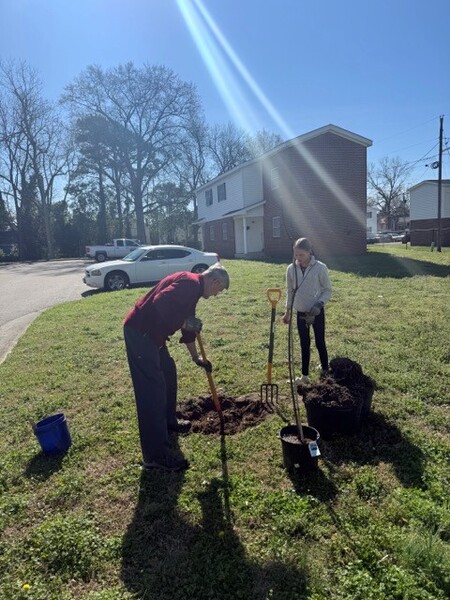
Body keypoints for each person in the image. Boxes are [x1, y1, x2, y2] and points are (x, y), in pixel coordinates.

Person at [123, 263, 229, 472]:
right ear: (215, 281)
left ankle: (169, 421)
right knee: (151, 391)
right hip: (140, 333)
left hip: (154, 336)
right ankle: (155, 455)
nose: (217, 295)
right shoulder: (189, 283)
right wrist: (184, 322)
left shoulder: (194, 289)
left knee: (168, 373)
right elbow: (160, 303)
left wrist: (196, 358)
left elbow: (189, 328)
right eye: (220, 290)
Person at [281, 238, 332, 383]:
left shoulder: (320, 268)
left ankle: (325, 370)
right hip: (301, 313)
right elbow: (290, 291)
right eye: (296, 255)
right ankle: (304, 376)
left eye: (301, 255)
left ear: (309, 252)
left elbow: (327, 290)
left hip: (316, 312)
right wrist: (288, 311)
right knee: (304, 344)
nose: (298, 259)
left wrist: (319, 305)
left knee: (320, 341)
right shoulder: (291, 269)